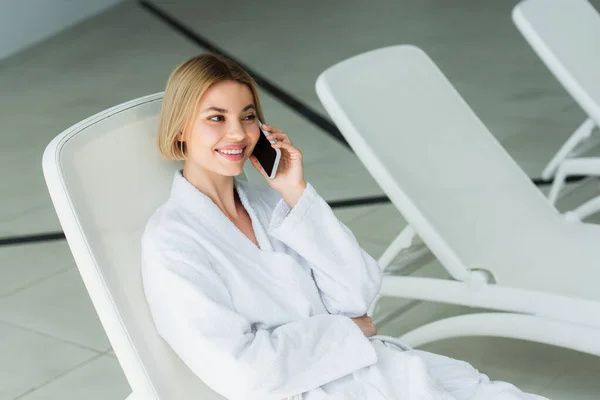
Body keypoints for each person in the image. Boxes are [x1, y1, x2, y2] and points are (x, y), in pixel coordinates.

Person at [141, 53, 549, 400]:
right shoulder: (172, 242)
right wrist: (347, 333)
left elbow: (358, 296)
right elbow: (243, 373)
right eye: (216, 118)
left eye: (248, 117)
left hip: (379, 371)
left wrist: (296, 192)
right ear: (180, 129)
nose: (238, 133)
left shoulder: (273, 204)